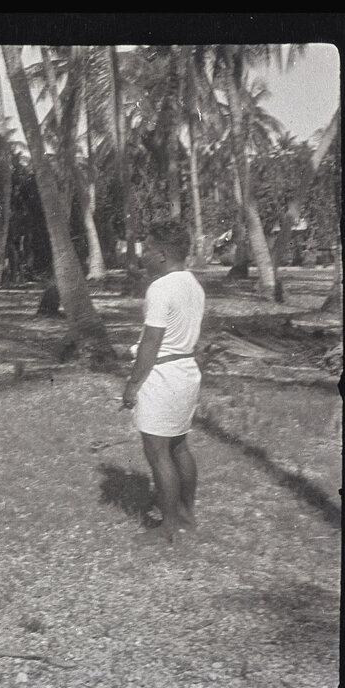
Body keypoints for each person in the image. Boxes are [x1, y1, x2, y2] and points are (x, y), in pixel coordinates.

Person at [121, 220, 205, 545]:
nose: (143, 255)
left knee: (157, 452)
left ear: (163, 254)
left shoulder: (159, 288)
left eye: (148, 249)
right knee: (179, 446)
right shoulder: (193, 284)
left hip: (163, 374)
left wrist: (132, 385)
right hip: (186, 370)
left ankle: (168, 527)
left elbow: (151, 343)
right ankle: (186, 514)